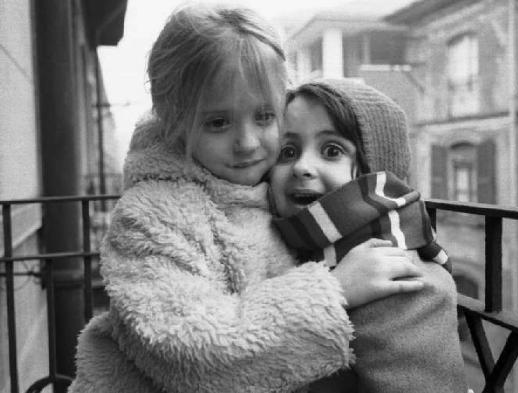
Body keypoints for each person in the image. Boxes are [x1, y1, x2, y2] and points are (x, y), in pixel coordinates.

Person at [68, 5, 426, 393]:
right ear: (174, 121)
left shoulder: (267, 190)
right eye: (218, 122)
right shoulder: (150, 215)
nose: (247, 143)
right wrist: (333, 291)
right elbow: (185, 350)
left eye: (264, 117)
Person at [269, 79, 469, 393]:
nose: (302, 166)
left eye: (331, 150)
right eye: (287, 150)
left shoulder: (397, 279)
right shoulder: (293, 247)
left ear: (376, 171)